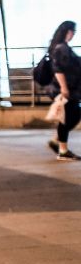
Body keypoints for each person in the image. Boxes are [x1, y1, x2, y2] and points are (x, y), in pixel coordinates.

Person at [46, 20, 81, 161]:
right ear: (66, 31)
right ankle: (63, 151)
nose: (73, 34)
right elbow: (58, 69)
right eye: (72, 31)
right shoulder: (61, 48)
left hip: (71, 89)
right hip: (66, 89)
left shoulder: (62, 47)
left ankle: (58, 141)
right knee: (68, 117)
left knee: (74, 114)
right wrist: (64, 87)